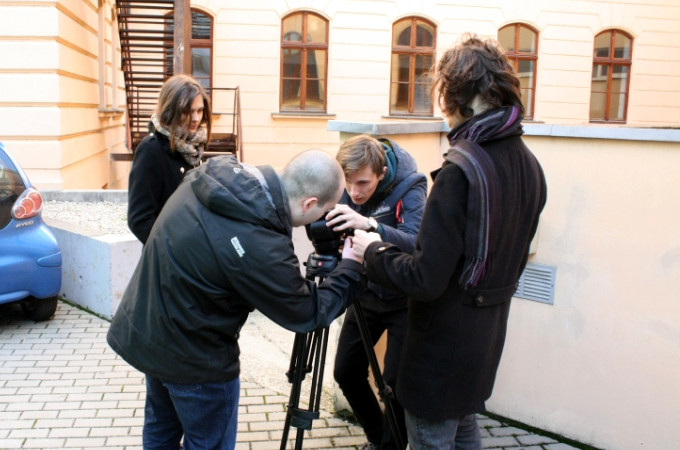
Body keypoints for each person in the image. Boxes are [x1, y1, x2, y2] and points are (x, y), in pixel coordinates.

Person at [351, 34, 547, 450]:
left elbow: (425, 278)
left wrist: (371, 250)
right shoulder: (530, 165)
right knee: (464, 430)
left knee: (434, 438)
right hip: (484, 342)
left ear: (464, 99)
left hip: (439, 355)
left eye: (444, 99)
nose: (444, 113)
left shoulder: (461, 169)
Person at [107, 150, 367, 449]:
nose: (323, 220)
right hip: (196, 362)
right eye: (326, 211)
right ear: (309, 204)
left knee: (160, 434)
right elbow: (307, 313)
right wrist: (351, 268)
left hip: (151, 334)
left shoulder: (213, 175)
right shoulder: (260, 241)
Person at [325, 134, 427, 450]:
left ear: (381, 173)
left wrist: (371, 225)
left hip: (402, 297)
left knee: (394, 384)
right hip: (364, 292)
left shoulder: (412, 184)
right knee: (346, 372)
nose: (353, 193)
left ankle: (393, 445)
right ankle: (379, 437)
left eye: (363, 184)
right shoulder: (345, 183)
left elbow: (418, 242)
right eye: (348, 184)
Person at [127, 74, 211, 244]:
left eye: (199, 110)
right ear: (171, 110)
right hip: (169, 261)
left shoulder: (194, 147)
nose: (195, 118)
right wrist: (176, 251)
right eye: (188, 111)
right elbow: (140, 220)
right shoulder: (151, 150)